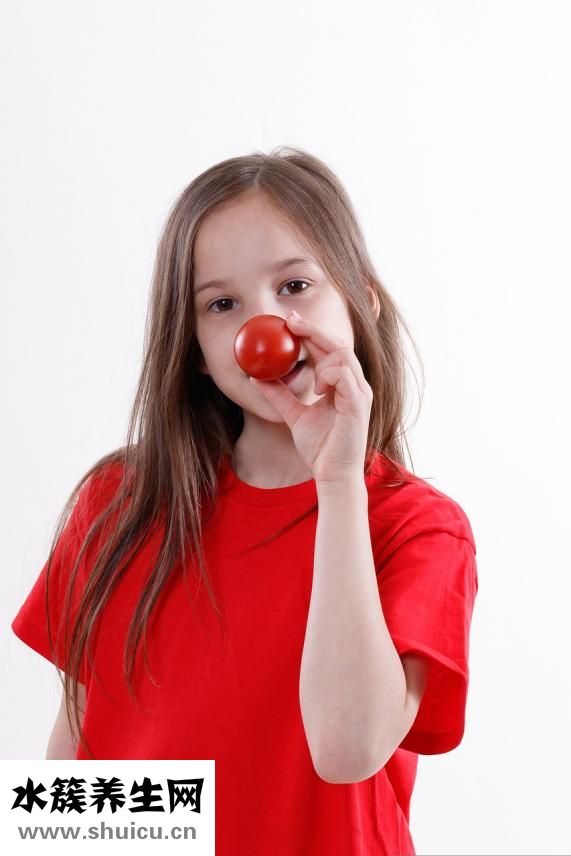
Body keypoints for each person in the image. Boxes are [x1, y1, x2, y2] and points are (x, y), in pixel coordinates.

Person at [11, 146, 478, 855]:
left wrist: (338, 482)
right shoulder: (118, 504)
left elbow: (347, 749)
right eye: (222, 304)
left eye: (294, 286)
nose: (266, 327)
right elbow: (79, 743)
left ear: (361, 300)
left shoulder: (418, 528)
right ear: (197, 349)